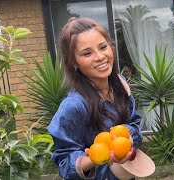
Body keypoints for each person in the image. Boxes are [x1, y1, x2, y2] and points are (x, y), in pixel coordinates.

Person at [47, 17, 143, 180]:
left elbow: (134, 124)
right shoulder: (74, 106)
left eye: (103, 47)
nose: (99, 57)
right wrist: (92, 159)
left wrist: (127, 137)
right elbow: (64, 161)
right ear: (74, 62)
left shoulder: (121, 86)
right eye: (87, 53)